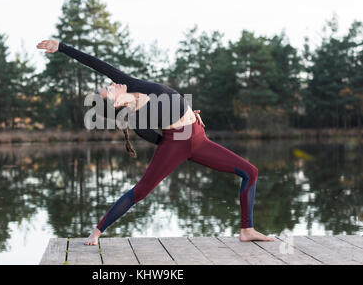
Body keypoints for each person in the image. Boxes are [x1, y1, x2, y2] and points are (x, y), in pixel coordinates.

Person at [36, 39, 274, 245]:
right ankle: (97, 231)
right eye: (109, 90)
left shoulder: (130, 83)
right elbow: (164, 139)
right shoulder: (139, 120)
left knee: (250, 172)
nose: (112, 84)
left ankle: (247, 229)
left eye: (108, 84)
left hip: (199, 138)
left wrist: (62, 47)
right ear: (115, 104)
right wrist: (181, 129)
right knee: (139, 191)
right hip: (177, 144)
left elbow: (96, 63)